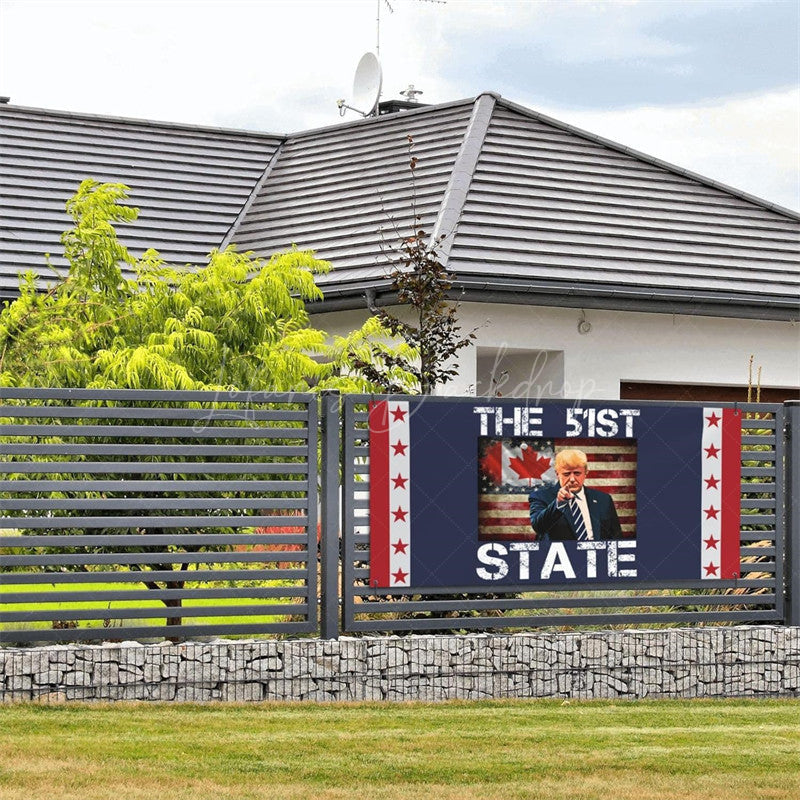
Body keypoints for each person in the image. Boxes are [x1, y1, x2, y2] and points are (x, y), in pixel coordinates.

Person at [528, 448, 623, 541]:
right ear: (557, 474)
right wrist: (558, 503)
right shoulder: (540, 497)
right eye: (566, 474)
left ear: (586, 473)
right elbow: (538, 527)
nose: (572, 479)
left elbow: (616, 537)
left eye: (577, 473)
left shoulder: (604, 499)